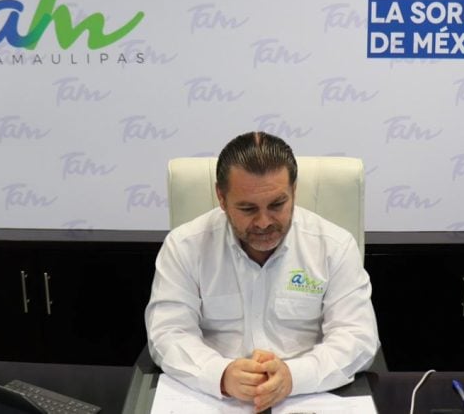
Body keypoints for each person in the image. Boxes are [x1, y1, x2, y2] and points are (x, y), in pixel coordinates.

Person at [145, 132, 379, 412]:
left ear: (294, 191)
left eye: (277, 205)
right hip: (213, 398)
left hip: (308, 397)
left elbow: (358, 337)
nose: (264, 222)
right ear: (221, 197)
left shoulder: (334, 246)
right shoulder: (185, 246)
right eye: (248, 208)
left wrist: (294, 377)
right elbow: (168, 332)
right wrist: (220, 374)